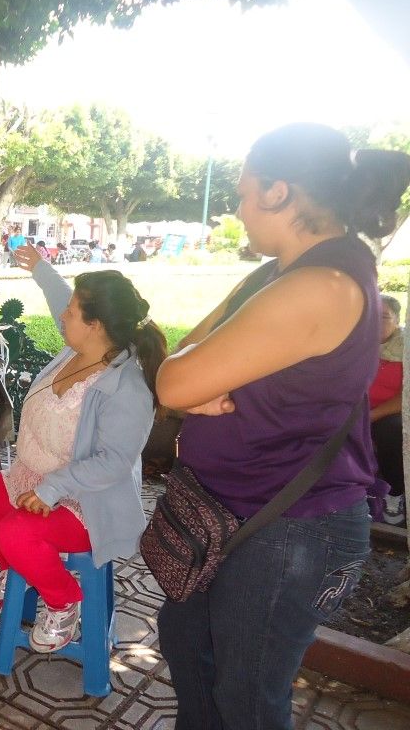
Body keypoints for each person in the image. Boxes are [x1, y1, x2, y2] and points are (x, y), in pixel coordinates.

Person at [155, 123, 410, 730]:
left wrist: (197, 380)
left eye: (243, 193)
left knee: (247, 696)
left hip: (290, 528)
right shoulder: (275, 275)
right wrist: (193, 375)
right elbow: (185, 350)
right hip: (232, 508)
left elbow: (172, 381)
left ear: (278, 192)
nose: (238, 210)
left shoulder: (322, 284)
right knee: (189, 650)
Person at [0, 242, 167, 652]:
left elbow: (115, 463)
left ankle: (63, 601)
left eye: (73, 311)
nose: (63, 315)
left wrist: (51, 489)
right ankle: (25, 571)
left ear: (96, 323)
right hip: (31, 480)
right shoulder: (78, 347)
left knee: (16, 531)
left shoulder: (127, 386)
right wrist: (41, 269)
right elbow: (61, 299)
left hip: (85, 502)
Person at [370, 294, 405, 525]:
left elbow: (406, 396)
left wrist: (369, 416)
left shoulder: (405, 348)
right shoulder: (356, 342)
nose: (377, 323)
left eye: (384, 317)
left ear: (397, 319)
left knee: (391, 430)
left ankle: (395, 493)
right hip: (354, 407)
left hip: (388, 412)